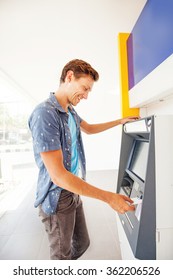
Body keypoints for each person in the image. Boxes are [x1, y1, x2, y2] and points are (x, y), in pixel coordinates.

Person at [28, 59, 138, 260]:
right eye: (84, 88)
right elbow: (59, 176)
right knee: (61, 256)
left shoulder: (69, 110)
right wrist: (109, 198)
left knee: (81, 244)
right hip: (58, 197)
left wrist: (119, 121)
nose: (86, 96)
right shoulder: (45, 114)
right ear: (69, 76)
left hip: (73, 190)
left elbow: (89, 128)